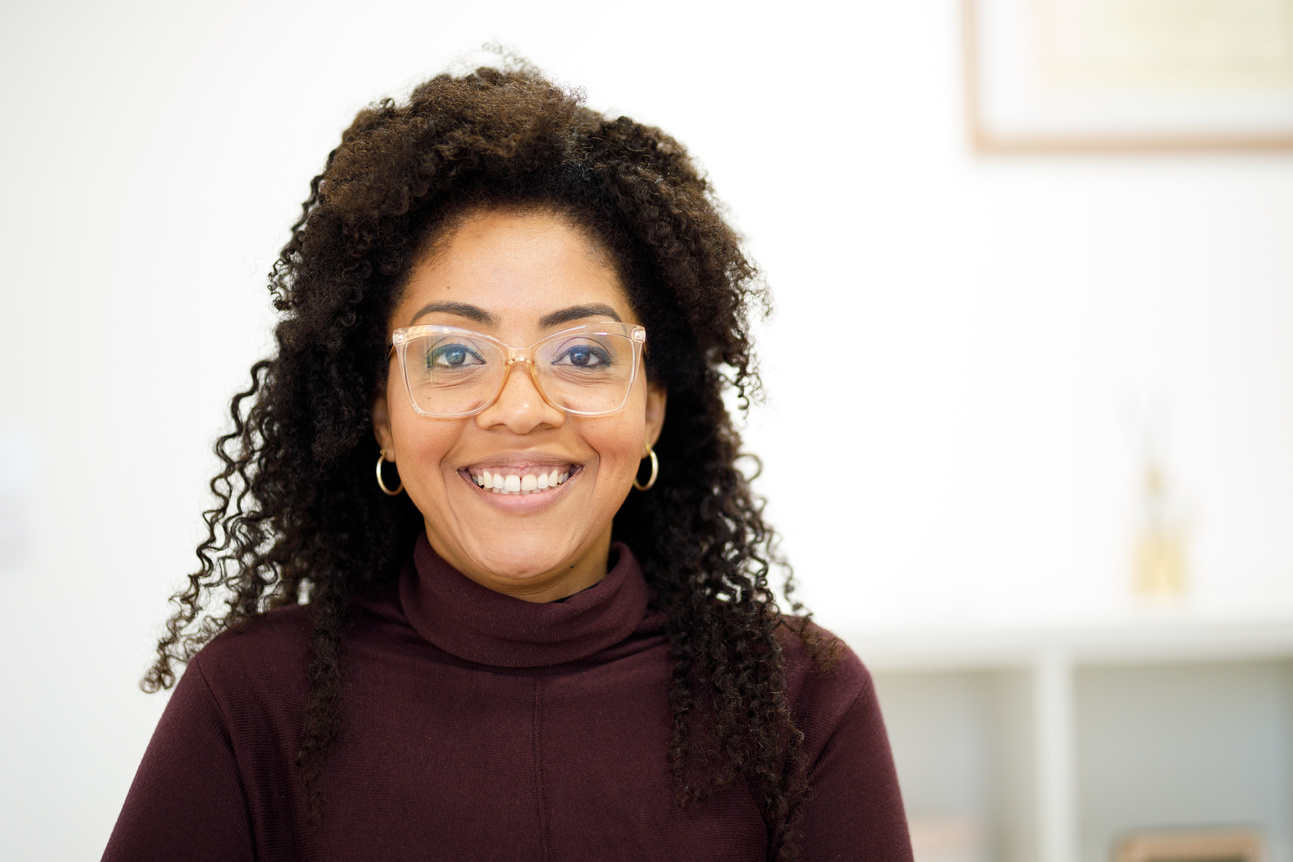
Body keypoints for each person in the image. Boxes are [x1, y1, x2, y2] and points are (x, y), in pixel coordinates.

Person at [103, 63, 912, 862]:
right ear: (381, 416)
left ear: (651, 407)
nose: (519, 409)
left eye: (583, 354)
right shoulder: (249, 701)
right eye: (454, 354)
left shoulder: (801, 701)